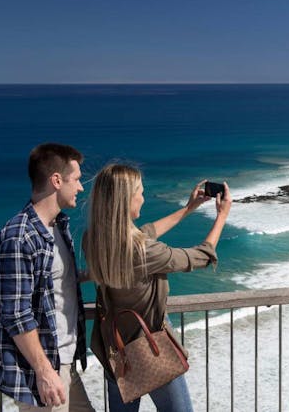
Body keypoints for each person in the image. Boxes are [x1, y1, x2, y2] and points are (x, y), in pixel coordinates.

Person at [84, 164, 232, 412]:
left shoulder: (94, 240)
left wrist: (188, 208)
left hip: (116, 350)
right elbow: (201, 256)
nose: (143, 197)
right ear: (125, 200)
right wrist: (222, 216)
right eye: (140, 192)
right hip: (150, 348)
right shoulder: (144, 252)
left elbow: (145, 233)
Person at [0, 143, 95, 411]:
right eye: (77, 179)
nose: (81, 188)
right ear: (56, 180)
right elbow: (15, 314)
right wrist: (45, 372)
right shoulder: (17, 237)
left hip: (65, 361)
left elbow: (57, 285)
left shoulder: (60, 227)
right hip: (44, 370)